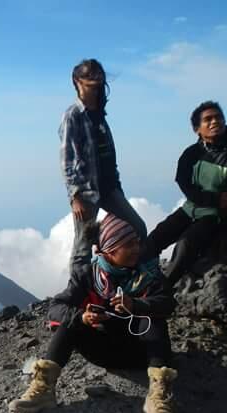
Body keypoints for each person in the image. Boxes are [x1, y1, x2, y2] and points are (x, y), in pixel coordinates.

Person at [9, 213, 178, 413]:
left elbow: (167, 304)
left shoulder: (149, 273)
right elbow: (56, 307)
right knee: (69, 321)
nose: (137, 248)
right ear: (109, 249)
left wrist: (136, 305)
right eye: (128, 244)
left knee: (153, 318)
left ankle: (158, 397)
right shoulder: (87, 275)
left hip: (141, 352)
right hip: (102, 351)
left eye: (137, 242)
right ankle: (43, 389)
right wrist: (82, 317)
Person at [147, 101, 227, 286]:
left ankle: (159, 291)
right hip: (193, 208)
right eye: (208, 119)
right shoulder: (191, 153)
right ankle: (133, 280)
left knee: (185, 245)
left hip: (220, 216)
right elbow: (184, 183)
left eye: (218, 117)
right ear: (197, 129)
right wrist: (212, 198)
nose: (215, 122)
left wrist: (209, 200)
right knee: (157, 236)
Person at [60, 58, 147, 267]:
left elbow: (108, 155)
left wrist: (116, 184)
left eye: (97, 74)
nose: (95, 79)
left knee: (136, 228)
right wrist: (75, 196)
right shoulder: (73, 115)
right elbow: (67, 160)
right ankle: (78, 295)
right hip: (87, 193)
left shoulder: (99, 114)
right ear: (76, 80)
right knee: (83, 247)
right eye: (89, 75)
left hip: (109, 188)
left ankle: (125, 276)